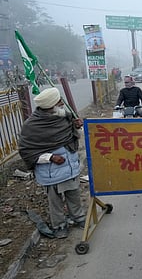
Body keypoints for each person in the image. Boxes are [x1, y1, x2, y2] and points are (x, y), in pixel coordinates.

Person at [18, 88, 86, 239]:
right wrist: (50, 157)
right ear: (50, 106)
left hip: (69, 166)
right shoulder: (32, 126)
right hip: (50, 172)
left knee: (73, 194)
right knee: (55, 201)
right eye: (59, 102)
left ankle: (79, 218)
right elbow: (26, 151)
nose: (62, 103)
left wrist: (76, 125)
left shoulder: (63, 116)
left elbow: (73, 135)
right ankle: (59, 225)